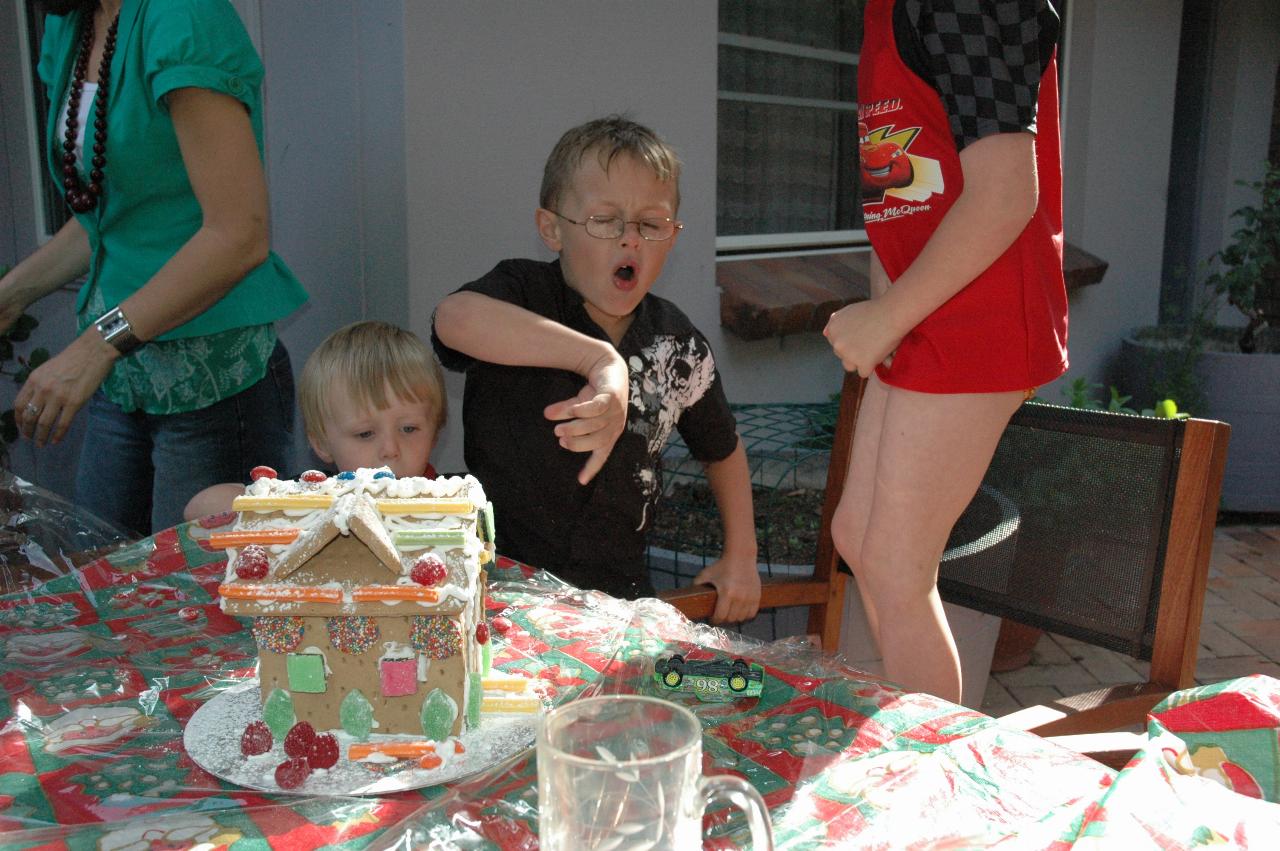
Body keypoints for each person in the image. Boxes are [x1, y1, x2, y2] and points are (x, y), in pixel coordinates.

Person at [824, 0, 1068, 702]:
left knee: (899, 567)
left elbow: (1004, 194)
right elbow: (900, 193)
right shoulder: (883, 14)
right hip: (928, 309)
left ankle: (936, 774)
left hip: (983, 316)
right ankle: (904, 721)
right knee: (858, 536)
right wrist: (889, 315)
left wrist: (885, 319)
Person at [432, 116, 760, 623]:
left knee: (718, 688)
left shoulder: (678, 345)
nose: (629, 240)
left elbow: (723, 451)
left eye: (650, 224)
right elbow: (452, 320)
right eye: (605, 221)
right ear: (552, 228)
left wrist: (742, 557)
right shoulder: (522, 291)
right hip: (500, 591)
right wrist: (597, 360)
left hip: (619, 598)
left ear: (672, 235)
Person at [0, 0, 308, 535]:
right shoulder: (72, 22)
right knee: (104, 584)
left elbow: (237, 235)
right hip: (125, 377)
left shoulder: (183, 17)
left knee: (194, 605)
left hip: (210, 385)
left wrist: (94, 347)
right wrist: (11, 294)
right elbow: (105, 219)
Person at [183, 320, 446, 520]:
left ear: (434, 431)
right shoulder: (312, 498)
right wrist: (286, 510)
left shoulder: (456, 505)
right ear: (321, 442)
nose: (391, 449)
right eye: (365, 433)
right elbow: (198, 509)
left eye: (409, 429)